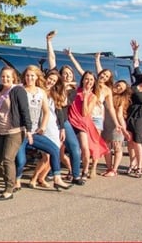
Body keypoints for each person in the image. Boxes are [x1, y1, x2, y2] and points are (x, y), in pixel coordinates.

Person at [0, 66, 32, 200]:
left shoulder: (17, 90)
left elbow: (25, 110)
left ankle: (9, 189)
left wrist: (29, 130)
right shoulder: (1, 92)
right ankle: (10, 183)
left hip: (15, 130)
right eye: (3, 76)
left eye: (8, 76)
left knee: (8, 159)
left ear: (13, 78)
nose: (5, 78)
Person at [46, 31, 85, 185]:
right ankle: (50, 173)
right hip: (49, 119)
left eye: (70, 74)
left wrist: (67, 86)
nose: (67, 75)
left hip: (64, 121)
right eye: (65, 73)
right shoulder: (54, 83)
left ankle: (76, 175)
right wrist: (49, 42)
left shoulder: (73, 90)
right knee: (51, 149)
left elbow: (62, 103)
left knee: (75, 148)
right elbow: (52, 60)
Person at [23, 68, 70, 191]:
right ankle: (34, 179)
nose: (51, 82)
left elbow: (59, 112)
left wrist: (62, 128)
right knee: (46, 157)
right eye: (50, 79)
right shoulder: (38, 90)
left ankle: (42, 178)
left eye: (54, 81)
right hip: (41, 126)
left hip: (53, 127)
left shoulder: (55, 93)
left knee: (54, 153)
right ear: (45, 77)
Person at [67, 70, 110, 182]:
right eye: (86, 79)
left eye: (91, 79)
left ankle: (85, 170)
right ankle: (71, 170)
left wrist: (85, 97)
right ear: (82, 80)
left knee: (85, 148)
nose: (88, 81)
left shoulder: (93, 96)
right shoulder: (75, 91)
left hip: (82, 124)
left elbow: (85, 113)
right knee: (70, 148)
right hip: (70, 122)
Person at [14, 65, 49, 191]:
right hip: (21, 131)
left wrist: (43, 126)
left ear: (36, 77)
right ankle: (17, 180)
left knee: (48, 155)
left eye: (32, 75)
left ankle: (35, 179)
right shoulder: (19, 89)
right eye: (27, 75)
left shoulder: (41, 92)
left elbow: (46, 112)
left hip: (36, 131)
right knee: (21, 160)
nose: (29, 78)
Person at [111, 80, 133, 175]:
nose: (119, 88)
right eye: (118, 85)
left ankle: (114, 169)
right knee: (107, 148)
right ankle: (109, 168)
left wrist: (124, 130)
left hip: (117, 126)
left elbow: (120, 115)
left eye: (122, 88)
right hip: (106, 124)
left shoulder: (121, 99)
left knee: (117, 147)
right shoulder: (108, 93)